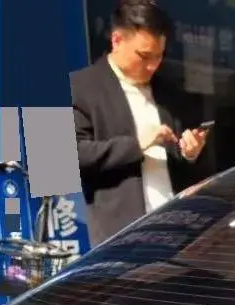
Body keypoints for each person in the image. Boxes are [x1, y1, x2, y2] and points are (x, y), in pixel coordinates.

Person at [71, 1, 209, 245]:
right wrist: (137, 144)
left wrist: (190, 152)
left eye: (159, 56)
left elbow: (184, 163)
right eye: (144, 56)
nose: (152, 66)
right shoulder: (79, 86)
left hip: (176, 230)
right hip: (118, 237)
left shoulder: (169, 92)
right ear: (117, 40)